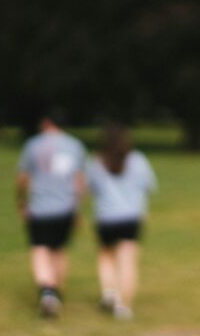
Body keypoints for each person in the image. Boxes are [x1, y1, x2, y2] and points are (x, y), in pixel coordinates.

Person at [16, 112, 86, 317]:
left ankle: (47, 291)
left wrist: (21, 201)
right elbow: (80, 182)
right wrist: (77, 207)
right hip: (65, 207)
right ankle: (57, 291)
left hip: (39, 208)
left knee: (40, 249)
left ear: (46, 123)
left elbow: (23, 178)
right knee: (59, 250)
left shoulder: (33, 145)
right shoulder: (74, 146)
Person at [86, 123, 157, 319]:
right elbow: (150, 185)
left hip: (106, 218)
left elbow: (89, 189)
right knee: (128, 262)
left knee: (106, 256)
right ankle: (123, 306)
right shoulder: (138, 160)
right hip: (132, 217)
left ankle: (109, 291)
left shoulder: (96, 162)